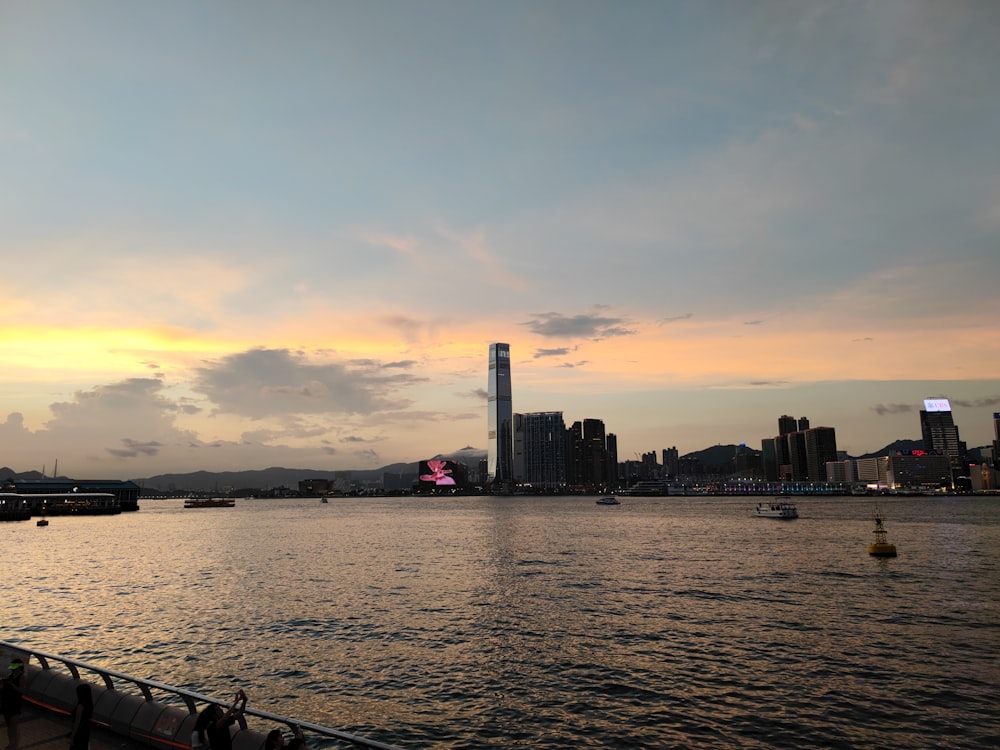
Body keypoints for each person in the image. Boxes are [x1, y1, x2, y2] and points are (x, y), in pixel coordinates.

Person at [1, 657, 26, 750]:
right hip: (7, 702)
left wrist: (12, 685)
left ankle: (15, 745)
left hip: (15, 703)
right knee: (9, 725)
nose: (12, 669)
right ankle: (11, 743)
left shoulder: (22, 677)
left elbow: (22, 690)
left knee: (14, 725)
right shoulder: (11, 675)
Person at [69, 684, 93, 750]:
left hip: (79, 732)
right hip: (86, 730)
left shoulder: (80, 706)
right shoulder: (89, 705)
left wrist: (73, 736)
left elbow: (77, 722)